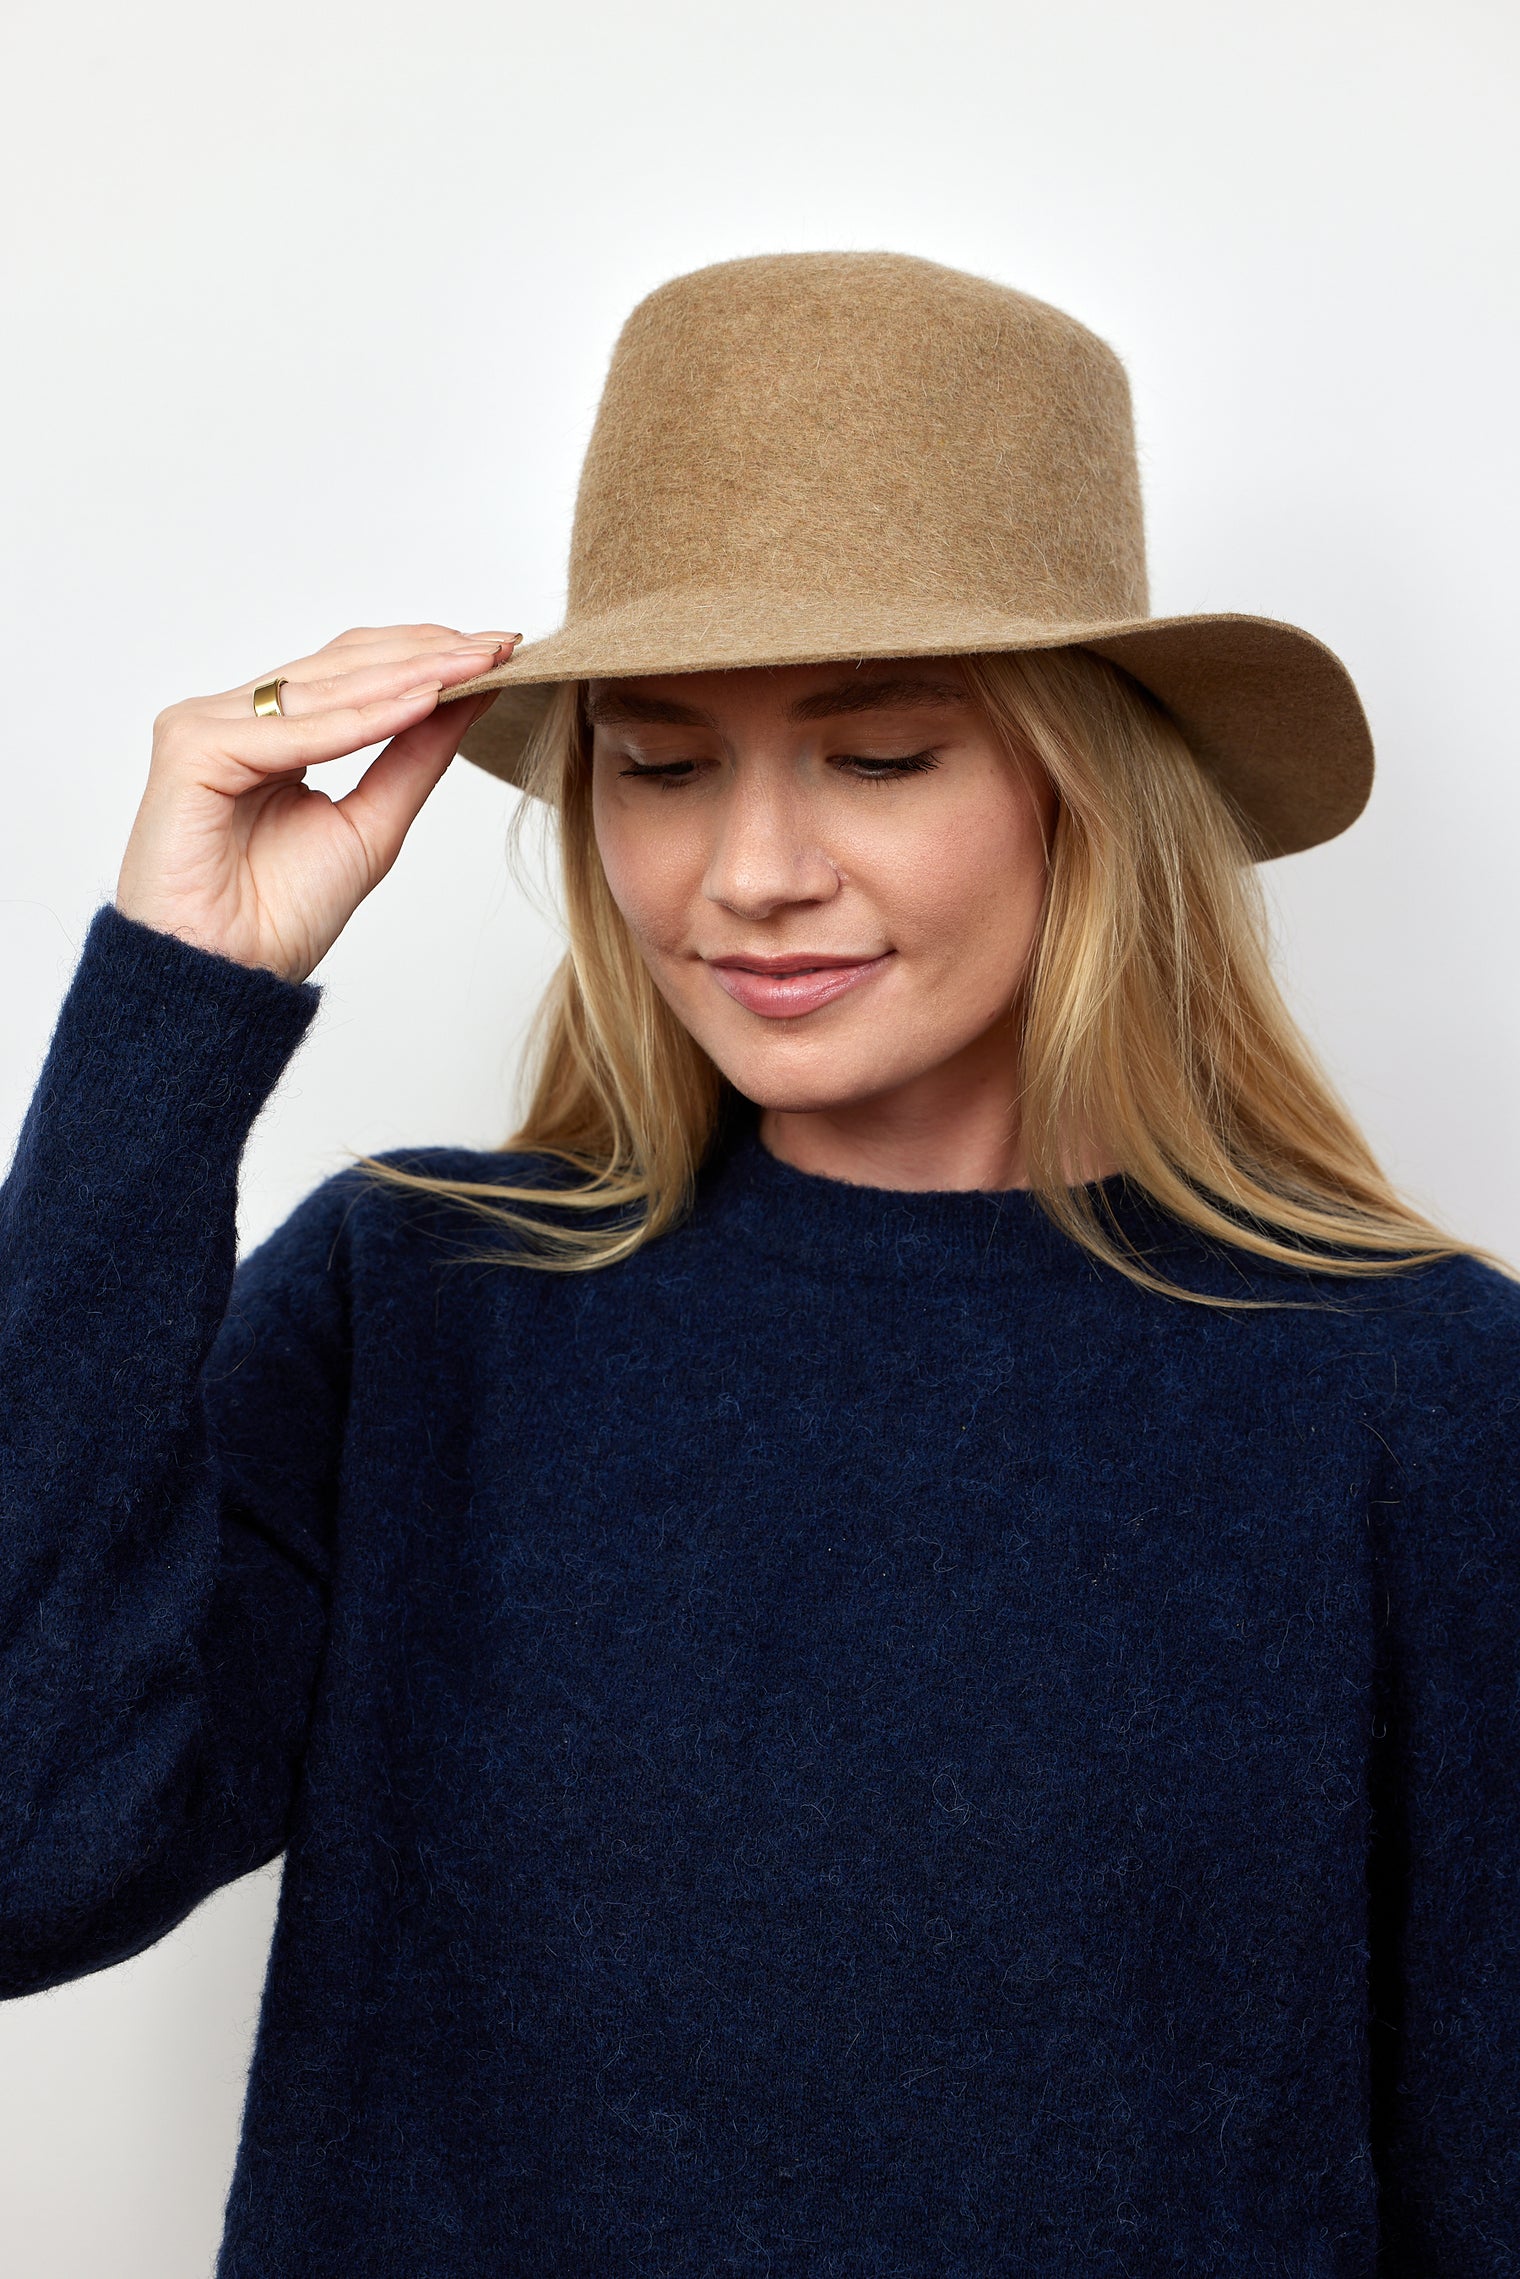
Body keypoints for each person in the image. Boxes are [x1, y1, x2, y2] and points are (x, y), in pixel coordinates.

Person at [1, 251, 1515, 2275]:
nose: (750, 873)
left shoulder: (1409, 1388)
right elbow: (27, 1853)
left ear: (1090, 795)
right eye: (663, 762)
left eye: (879, 758)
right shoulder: (419, 1305)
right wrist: (172, 1017)